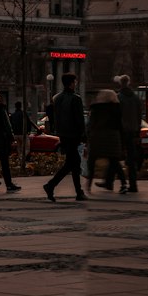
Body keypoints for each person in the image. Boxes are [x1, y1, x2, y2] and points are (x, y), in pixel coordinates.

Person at [44, 72, 87, 202]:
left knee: (73, 164)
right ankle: (50, 185)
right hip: (74, 136)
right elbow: (79, 120)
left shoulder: (57, 98)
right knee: (72, 164)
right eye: (75, 82)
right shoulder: (76, 98)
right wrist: (83, 136)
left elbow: (54, 118)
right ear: (71, 83)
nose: (76, 84)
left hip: (63, 135)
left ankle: (78, 192)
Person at [104, 74, 143, 193]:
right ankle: (133, 185)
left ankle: (110, 183)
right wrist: (138, 132)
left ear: (120, 84)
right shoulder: (136, 98)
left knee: (114, 157)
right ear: (129, 83)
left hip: (121, 132)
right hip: (133, 131)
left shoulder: (118, 97)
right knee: (131, 160)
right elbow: (139, 116)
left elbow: (115, 117)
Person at [85, 88, 124, 192]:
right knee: (114, 161)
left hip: (97, 137)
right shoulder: (117, 108)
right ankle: (123, 184)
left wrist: (87, 135)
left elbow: (91, 124)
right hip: (113, 137)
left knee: (92, 160)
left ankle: (88, 184)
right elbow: (120, 125)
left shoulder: (96, 108)